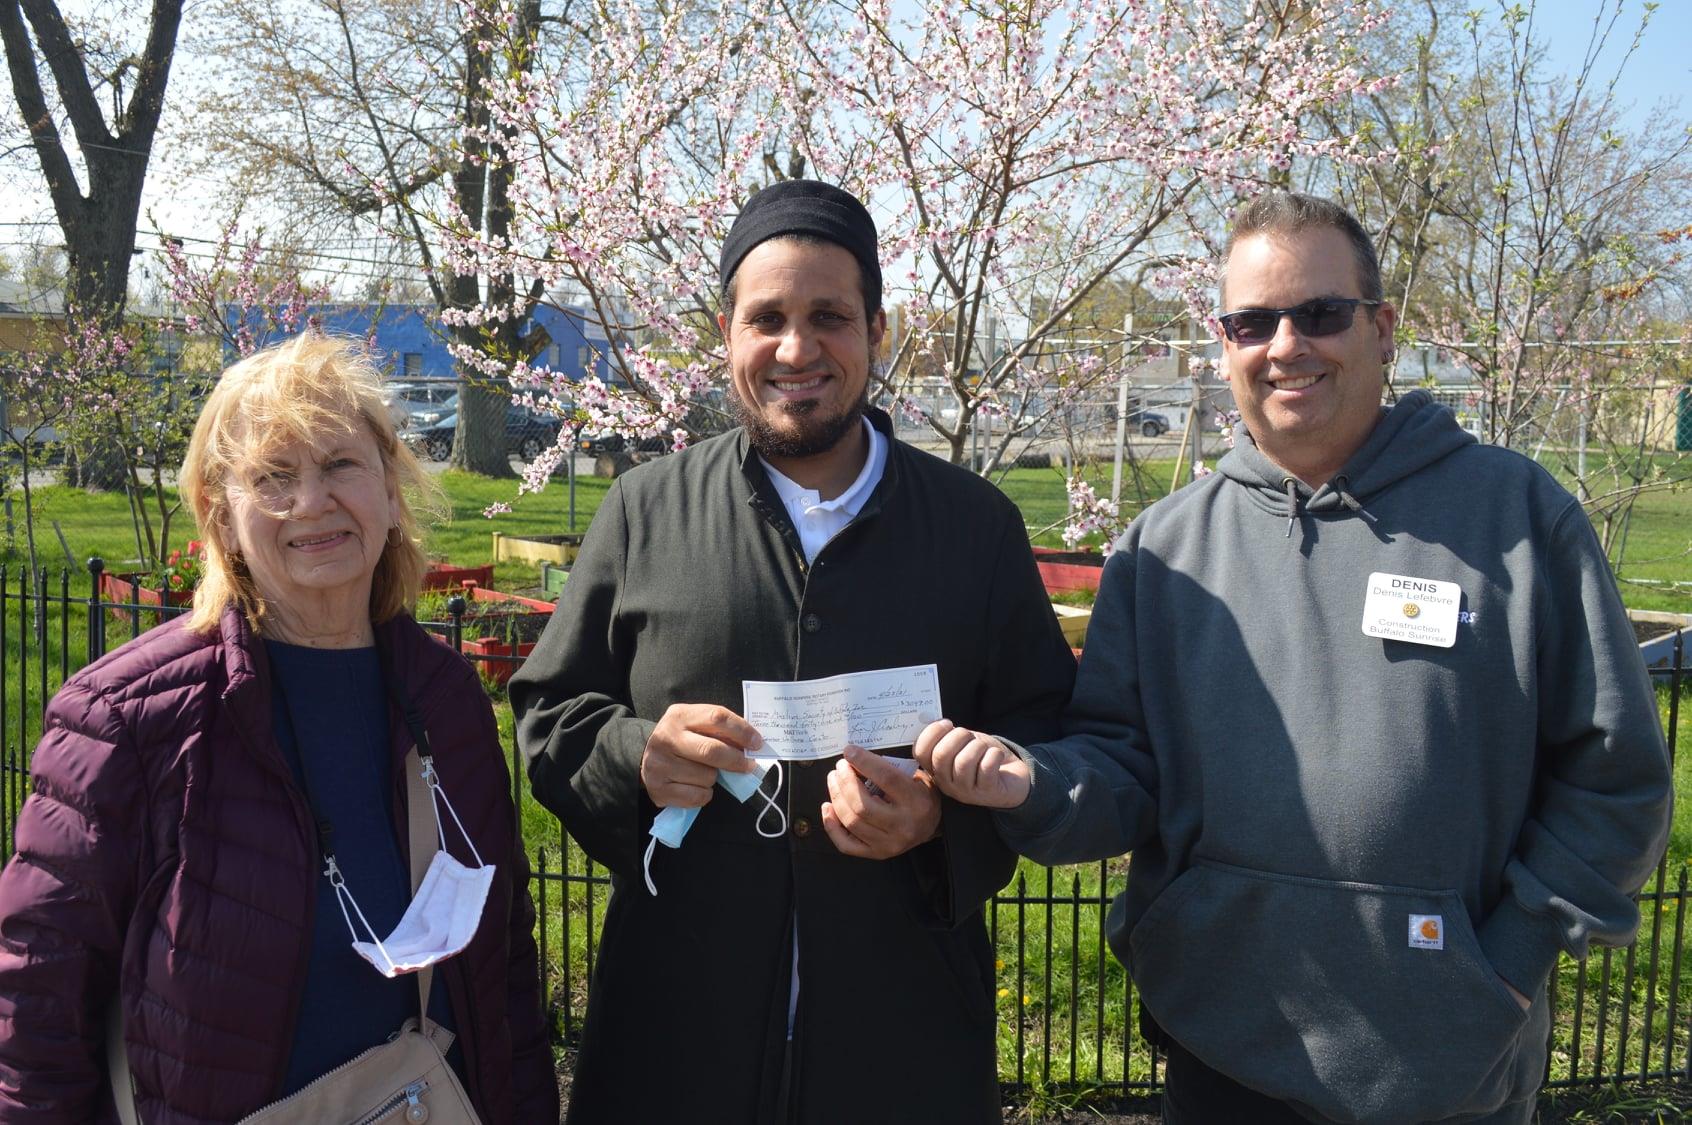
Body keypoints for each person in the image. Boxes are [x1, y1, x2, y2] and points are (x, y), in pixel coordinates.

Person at [915, 192, 1673, 1125]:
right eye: (1253, 322)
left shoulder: (1515, 518)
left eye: (1320, 313)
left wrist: (1507, 967)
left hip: (1450, 1065)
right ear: (1223, 343)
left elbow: (1616, 779)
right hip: (1220, 1051)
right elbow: (1120, 764)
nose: (1286, 345)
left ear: (1381, 330)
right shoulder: (1164, 552)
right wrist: (1030, 784)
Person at [510, 178, 1077, 1123]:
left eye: (830, 317)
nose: (796, 349)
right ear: (726, 334)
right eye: (766, 318)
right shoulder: (644, 511)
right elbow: (550, 713)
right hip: (676, 1032)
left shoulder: (975, 528)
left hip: (902, 1039)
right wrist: (637, 758)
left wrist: (942, 823)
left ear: (877, 332)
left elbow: (1045, 734)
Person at [0, 333, 558, 1123]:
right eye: (272, 476)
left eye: (340, 464)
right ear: (221, 517)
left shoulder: (448, 699)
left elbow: (505, 975)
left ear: (389, 488)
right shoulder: (125, 722)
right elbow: (36, 1008)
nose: (311, 501)